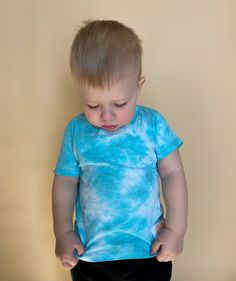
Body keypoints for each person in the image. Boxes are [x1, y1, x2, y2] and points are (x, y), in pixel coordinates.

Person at [52, 20, 188, 281]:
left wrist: (176, 231)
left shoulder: (153, 125)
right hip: (91, 253)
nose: (107, 116)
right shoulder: (75, 131)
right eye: (92, 105)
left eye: (120, 103)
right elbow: (65, 183)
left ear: (138, 86)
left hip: (148, 250)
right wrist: (63, 234)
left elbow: (173, 175)